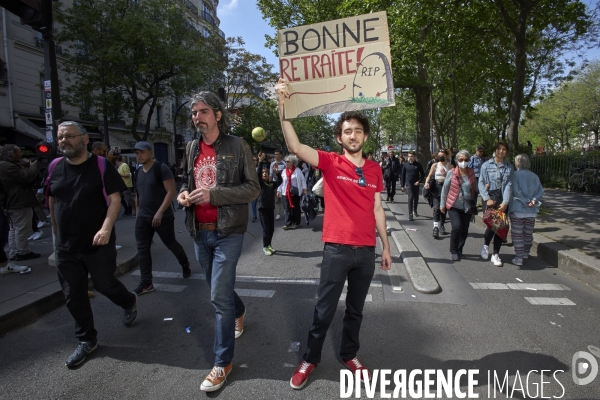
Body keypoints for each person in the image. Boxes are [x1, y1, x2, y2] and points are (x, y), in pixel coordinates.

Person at [275, 78, 392, 390]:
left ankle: (350, 355)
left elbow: (377, 209)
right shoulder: (330, 162)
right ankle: (310, 359)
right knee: (324, 310)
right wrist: (283, 108)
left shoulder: (375, 169)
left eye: (358, 130)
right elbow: (295, 147)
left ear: (365, 136)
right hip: (337, 249)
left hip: (365, 251)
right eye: (347, 131)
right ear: (339, 137)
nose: (352, 135)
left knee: (356, 309)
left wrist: (386, 246)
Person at [177, 91, 260, 392]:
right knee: (219, 291)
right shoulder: (190, 148)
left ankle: (222, 362)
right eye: (194, 112)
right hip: (200, 231)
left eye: (203, 112)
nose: (197, 117)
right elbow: (187, 182)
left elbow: (253, 188)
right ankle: (238, 310)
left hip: (228, 232)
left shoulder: (238, 146)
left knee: (217, 297)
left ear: (217, 115)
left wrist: (215, 195)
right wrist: (181, 196)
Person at [48, 121, 138, 368]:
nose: (63, 141)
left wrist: (106, 228)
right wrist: (55, 235)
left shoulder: (100, 166)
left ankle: (128, 300)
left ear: (85, 139)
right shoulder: (54, 166)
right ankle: (87, 340)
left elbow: (115, 200)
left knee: (104, 284)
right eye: (60, 137)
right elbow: (52, 199)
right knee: (73, 295)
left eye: (69, 136)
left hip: (98, 243)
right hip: (66, 247)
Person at [132, 141, 191, 295]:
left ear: (150, 152)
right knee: (142, 249)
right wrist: (137, 211)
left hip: (162, 216)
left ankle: (184, 263)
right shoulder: (137, 172)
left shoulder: (161, 168)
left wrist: (159, 212)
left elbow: (171, 192)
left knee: (170, 243)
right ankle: (146, 282)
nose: (139, 156)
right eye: (137, 153)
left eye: (142, 152)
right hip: (143, 217)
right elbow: (138, 194)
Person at [0, 145, 40, 262]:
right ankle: (22, 251)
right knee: (22, 227)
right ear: (11, 153)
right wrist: (33, 168)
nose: (21, 154)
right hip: (18, 201)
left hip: (13, 201)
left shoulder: (5, 165)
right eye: (18, 152)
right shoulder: (7, 166)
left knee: (14, 228)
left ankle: (15, 251)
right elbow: (26, 177)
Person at [478, 141, 513, 267]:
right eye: (499, 149)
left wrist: (505, 202)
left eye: (504, 149)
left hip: (502, 198)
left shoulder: (509, 167)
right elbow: (481, 183)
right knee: (492, 225)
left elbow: (509, 185)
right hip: (490, 197)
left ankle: (496, 254)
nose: (502, 151)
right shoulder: (486, 165)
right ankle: (486, 245)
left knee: (501, 227)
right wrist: (487, 198)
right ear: (495, 150)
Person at [439, 150, 477, 261]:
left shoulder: (471, 173)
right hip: (453, 205)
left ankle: (460, 250)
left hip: (467, 206)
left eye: (466, 160)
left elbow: (474, 189)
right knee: (457, 227)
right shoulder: (452, 172)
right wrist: (442, 204)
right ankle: (453, 250)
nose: (463, 162)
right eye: (461, 160)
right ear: (457, 161)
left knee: (465, 230)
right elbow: (445, 189)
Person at [508, 154, 544, 268]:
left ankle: (518, 257)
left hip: (518, 208)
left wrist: (525, 201)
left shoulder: (514, 175)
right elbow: (540, 190)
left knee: (517, 234)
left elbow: (516, 191)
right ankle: (525, 253)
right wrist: (533, 201)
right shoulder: (534, 176)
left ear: (517, 162)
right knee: (528, 233)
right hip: (531, 210)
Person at [257, 152, 281, 255]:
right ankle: (265, 246)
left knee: (271, 229)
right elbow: (258, 174)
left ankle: (269, 245)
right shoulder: (260, 184)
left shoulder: (271, 183)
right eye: (263, 173)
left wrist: (277, 173)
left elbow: (280, 181)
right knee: (266, 229)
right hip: (263, 208)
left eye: (266, 173)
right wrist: (261, 162)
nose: (264, 174)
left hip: (271, 208)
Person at [424, 148, 452, 238]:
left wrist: (445, 175)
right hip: (436, 187)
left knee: (443, 208)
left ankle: (442, 225)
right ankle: (435, 227)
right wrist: (426, 183)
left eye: (442, 156)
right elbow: (429, 176)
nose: (441, 157)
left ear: (446, 156)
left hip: (446, 187)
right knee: (436, 208)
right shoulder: (435, 165)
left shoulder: (450, 166)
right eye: (439, 156)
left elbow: (454, 179)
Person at [277, 154, 307, 230]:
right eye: (285, 161)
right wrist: (278, 190)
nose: (286, 163)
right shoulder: (284, 171)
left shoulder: (298, 170)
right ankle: (288, 224)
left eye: (287, 161)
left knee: (296, 207)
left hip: (295, 192)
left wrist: (304, 189)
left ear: (292, 162)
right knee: (287, 208)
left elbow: (302, 180)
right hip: (285, 192)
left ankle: (296, 222)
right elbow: (281, 182)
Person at [401, 151, 425, 221]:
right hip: (409, 184)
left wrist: (419, 181)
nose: (410, 158)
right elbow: (402, 175)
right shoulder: (406, 165)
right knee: (410, 197)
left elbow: (423, 174)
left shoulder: (418, 165)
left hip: (416, 184)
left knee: (416, 198)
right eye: (409, 156)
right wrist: (402, 185)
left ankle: (415, 210)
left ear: (414, 157)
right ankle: (410, 214)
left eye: (411, 156)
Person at [270, 149, 287, 220]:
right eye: (275, 154)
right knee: (276, 200)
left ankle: (286, 212)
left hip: (283, 184)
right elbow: (271, 174)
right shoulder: (272, 164)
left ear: (280, 155)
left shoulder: (284, 163)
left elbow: (287, 173)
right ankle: (278, 214)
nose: (275, 155)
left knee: (284, 199)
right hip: (275, 183)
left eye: (277, 154)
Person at [251, 155, 259, 222]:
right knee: (253, 203)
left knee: (261, 202)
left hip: (260, 187)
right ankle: (254, 216)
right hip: (253, 189)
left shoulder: (260, 168)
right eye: (253, 160)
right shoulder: (248, 169)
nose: (255, 162)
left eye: (256, 160)